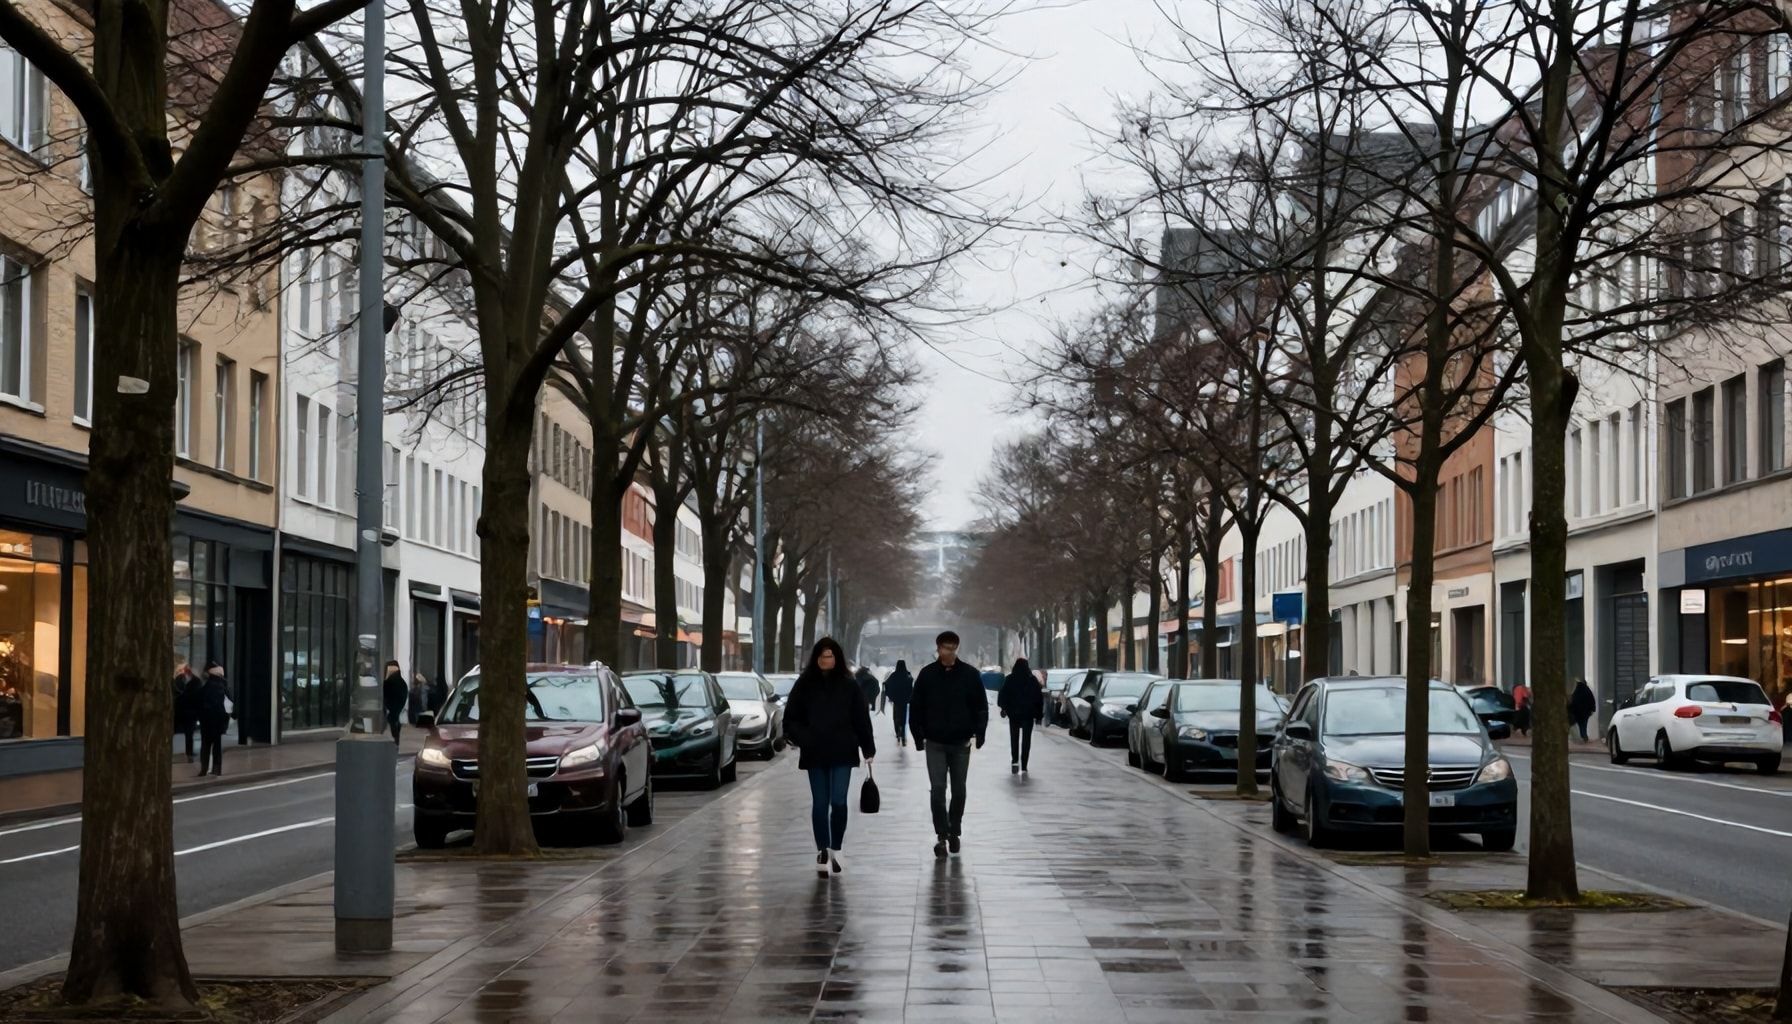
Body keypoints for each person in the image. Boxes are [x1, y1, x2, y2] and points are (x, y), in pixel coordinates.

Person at [783, 637, 876, 877]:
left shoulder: (849, 684)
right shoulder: (805, 684)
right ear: (816, 658)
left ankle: (837, 847)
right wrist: (804, 737)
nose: (827, 660)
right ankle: (822, 850)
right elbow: (791, 717)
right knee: (820, 803)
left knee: (839, 801)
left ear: (837, 658)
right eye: (823, 656)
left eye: (831, 656)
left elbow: (861, 718)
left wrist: (868, 748)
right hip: (815, 751)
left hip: (843, 750)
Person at [910, 630, 988, 859]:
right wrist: (917, 735)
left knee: (959, 790)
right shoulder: (927, 675)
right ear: (938, 648)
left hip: (961, 741)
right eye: (946, 648)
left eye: (953, 648)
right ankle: (942, 834)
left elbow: (980, 706)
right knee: (937, 790)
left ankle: (955, 829)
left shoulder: (970, 675)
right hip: (934, 742)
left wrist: (979, 732)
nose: (949, 652)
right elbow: (916, 707)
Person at [997, 658, 1044, 774]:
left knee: (1014, 738)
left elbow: (1002, 695)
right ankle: (1024, 764)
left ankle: (1015, 761)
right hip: (1028, 715)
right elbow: (1039, 699)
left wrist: (1004, 708)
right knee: (1026, 740)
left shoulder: (1010, 679)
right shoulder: (1032, 680)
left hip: (1014, 714)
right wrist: (1038, 715)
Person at [197, 660, 232, 777]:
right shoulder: (224, 686)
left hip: (207, 721)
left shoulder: (207, 686)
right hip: (219, 721)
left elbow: (200, 702)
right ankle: (217, 769)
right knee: (217, 746)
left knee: (205, 746)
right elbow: (231, 701)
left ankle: (204, 769)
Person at [881, 661, 915, 747]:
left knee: (895, 717)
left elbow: (887, 684)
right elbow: (911, 686)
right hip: (904, 701)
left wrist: (889, 694)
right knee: (903, 720)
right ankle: (903, 737)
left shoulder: (893, 675)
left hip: (896, 701)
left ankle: (897, 733)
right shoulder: (908, 675)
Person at [172, 661, 200, 763]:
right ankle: (186, 752)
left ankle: (189, 752)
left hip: (189, 712)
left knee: (189, 734)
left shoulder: (195, 682)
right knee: (178, 732)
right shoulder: (179, 680)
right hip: (181, 711)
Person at [384, 660, 409, 744]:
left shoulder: (389, 683)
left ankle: (396, 737)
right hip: (396, 708)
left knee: (393, 719)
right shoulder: (402, 683)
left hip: (393, 708)